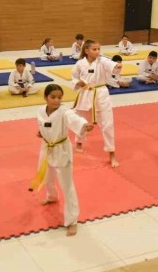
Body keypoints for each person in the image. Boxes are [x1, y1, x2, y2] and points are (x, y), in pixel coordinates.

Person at [30, 84, 93, 236]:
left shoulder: (65, 112)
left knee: (67, 185)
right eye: (53, 97)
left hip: (61, 149)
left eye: (59, 97)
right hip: (46, 147)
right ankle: (52, 196)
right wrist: (41, 132)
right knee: (47, 176)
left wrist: (84, 125)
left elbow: (74, 119)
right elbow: (45, 125)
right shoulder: (40, 111)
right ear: (45, 98)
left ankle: (72, 221)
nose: (56, 100)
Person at [71, 39, 120, 168]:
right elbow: (74, 76)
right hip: (85, 93)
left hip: (101, 94)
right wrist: (77, 82)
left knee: (107, 124)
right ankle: (79, 142)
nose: (97, 51)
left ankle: (111, 153)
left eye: (99, 49)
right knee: (82, 121)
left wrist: (117, 66)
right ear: (87, 51)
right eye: (94, 49)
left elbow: (112, 66)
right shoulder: (80, 63)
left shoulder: (102, 61)